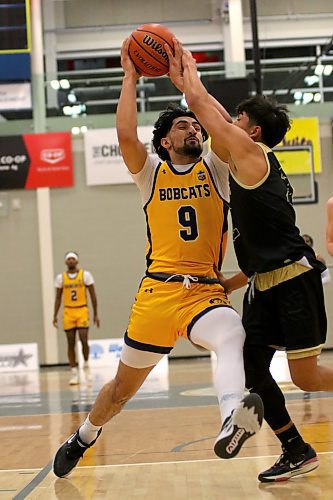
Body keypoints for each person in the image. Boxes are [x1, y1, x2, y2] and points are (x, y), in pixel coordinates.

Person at [52, 38, 264, 478]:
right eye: (184, 127)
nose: (194, 130)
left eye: (195, 126)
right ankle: (85, 436)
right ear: (166, 141)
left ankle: (230, 420)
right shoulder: (150, 173)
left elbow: (228, 130)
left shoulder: (217, 168)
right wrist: (130, 75)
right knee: (120, 393)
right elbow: (126, 135)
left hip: (202, 293)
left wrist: (194, 90)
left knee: (231, 335)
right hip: (156, 293)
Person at [168, 39, 333, 482]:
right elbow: (219, 117)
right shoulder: (247, 158)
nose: (229, 125)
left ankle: (293, 444)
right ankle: (296, 448)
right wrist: (229, 283)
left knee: (308, 377)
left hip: (294, 283)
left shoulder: (251, 157)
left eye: (239, 121)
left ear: (253, 132)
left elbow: (205, 109)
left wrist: (183, 73)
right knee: (252, 369)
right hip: (265, 285)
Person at [53, 251, 100, 385]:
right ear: (66, 262)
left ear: (77, 261)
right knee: (70, 342)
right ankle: (74, 373)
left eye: (73, 258)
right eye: (69, 259)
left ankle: (86, 365)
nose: (71, 261)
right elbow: (57, 298)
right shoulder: (60, 278)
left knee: (84, 339)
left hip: (82, 310)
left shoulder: (85, 275)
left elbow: (93, 295)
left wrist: (96, 313)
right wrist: (54, 315)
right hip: (68, 311)